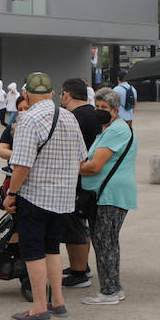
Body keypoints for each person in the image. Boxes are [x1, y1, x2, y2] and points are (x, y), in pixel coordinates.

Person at [4, 72, 85, 320]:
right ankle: (58, 301)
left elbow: (22, 166)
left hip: (36, 196)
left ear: (26, 95)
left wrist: (11, 194)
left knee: (33, 251)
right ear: (52, 94)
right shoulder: (70, 118)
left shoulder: (28, 120)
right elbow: (82, 158)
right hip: (63, 198)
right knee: (52, 248)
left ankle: (39, 307)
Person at [79, 88, 138, 305]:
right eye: (96, 107)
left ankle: (109, 290)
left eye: (104, 108)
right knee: (107, 241)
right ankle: (114, 287)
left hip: (111, 195)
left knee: (104, 241)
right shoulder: (107, 129)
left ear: (115, 109)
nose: (99, 111)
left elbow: (94, 166)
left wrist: (71, 167)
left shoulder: (117, 130)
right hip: (105, 195)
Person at [57, 78, 99, 290]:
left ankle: (79, 272)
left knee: (74, 226)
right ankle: (82, 266)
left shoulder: (72, 118)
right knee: (83, 225)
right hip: (91, 178)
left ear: (66, 94)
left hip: (76, 177)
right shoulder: (93, 112)